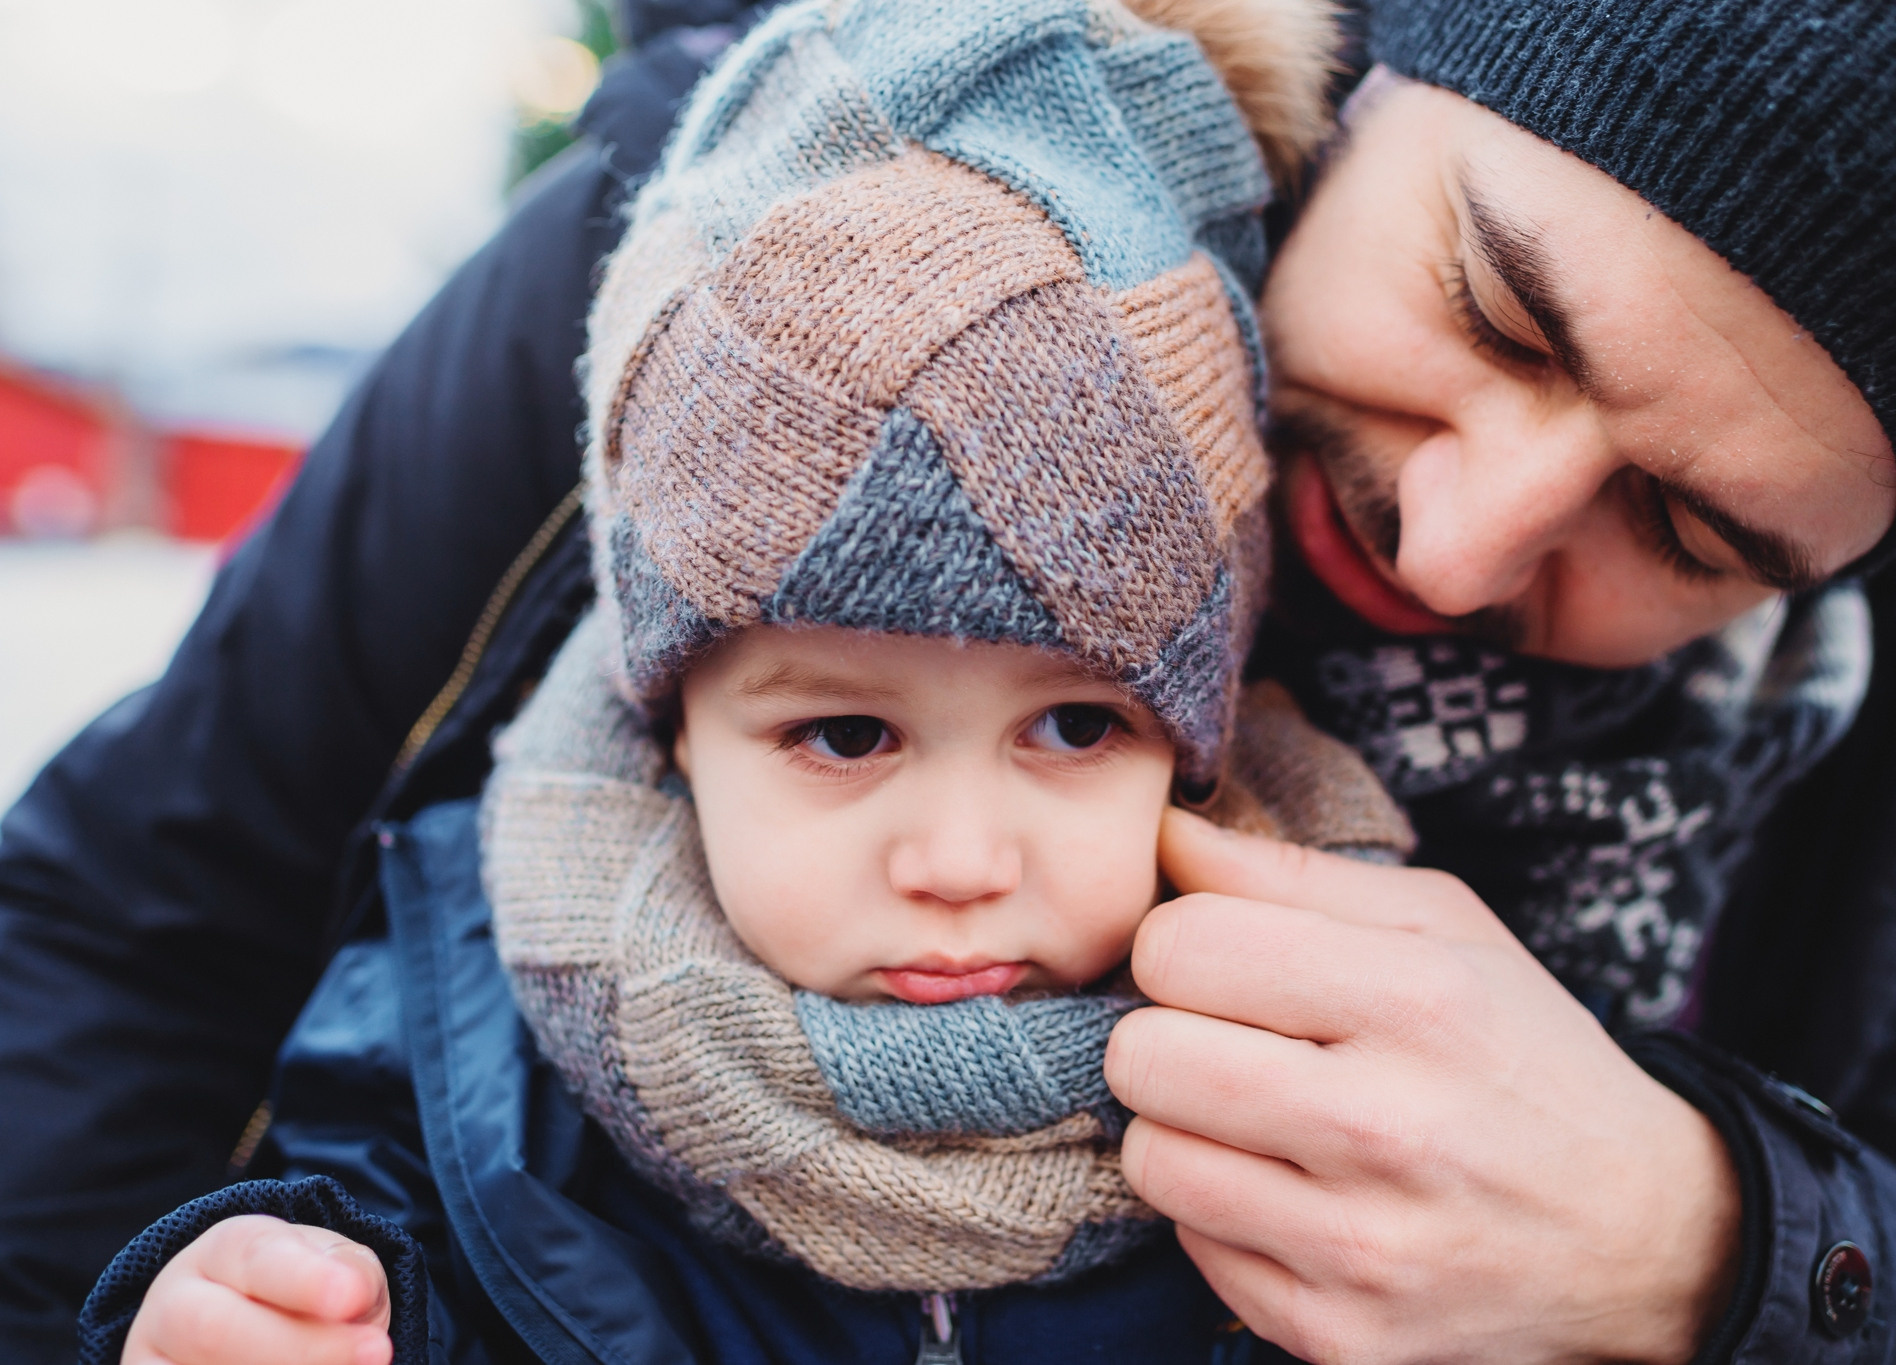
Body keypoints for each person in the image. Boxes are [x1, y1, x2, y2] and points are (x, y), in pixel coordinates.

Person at [2, 0, 1896, 1360]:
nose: (1456, 539)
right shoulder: (752, 298)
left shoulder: (1828, 712)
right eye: (1495, 305)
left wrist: (1710, 1236)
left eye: (1688, 531)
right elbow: (126, 925)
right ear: (1380, 73)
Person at [88, 4, 1410, 1359]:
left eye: (1076, 723)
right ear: (674, 730)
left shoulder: (1337, 1074)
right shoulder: (473, 1026)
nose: (958, 860)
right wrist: (275, 1314)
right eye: (845, 732)